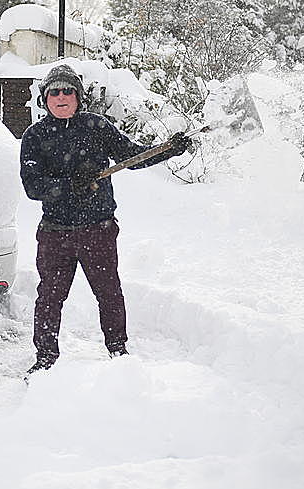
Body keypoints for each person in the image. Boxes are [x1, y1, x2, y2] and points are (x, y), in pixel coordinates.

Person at [19, 63, 190, 376]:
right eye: (53, 92)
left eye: (67, 91)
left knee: (109, 292)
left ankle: (118, 350)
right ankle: (45, 359)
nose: (60, 97)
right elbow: (33, 186)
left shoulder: (96, 127)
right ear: (45, 98)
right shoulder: (35, 136)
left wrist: (169, 150)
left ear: (78, 96)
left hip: (98, 229)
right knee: (49, 297)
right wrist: (71, 184)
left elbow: (133, 157)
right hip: (55, 233)